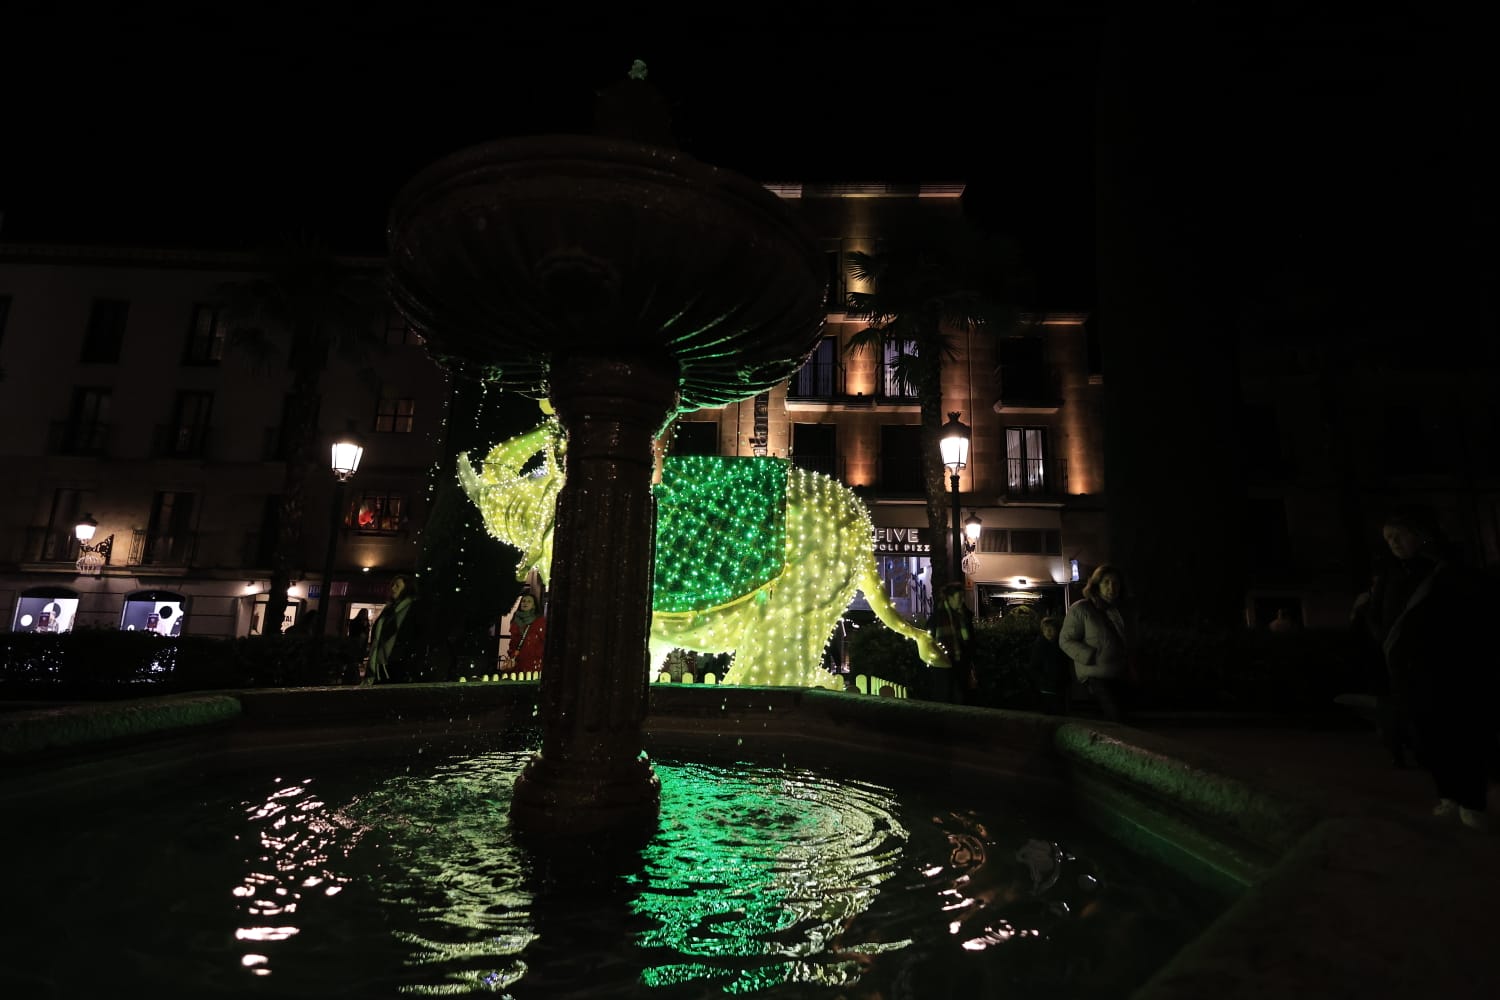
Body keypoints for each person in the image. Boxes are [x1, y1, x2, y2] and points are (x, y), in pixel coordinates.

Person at [1351, 504, 1494, 832]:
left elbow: (1474, 617)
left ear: (1420, 534)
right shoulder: (1390, 575)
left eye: (1399, 535)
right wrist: (1366, 615)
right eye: (1388, 538)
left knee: (1461, 735)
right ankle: (1449, 795)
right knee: (1428, 737)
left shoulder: (1448, 571)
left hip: (1449, 670)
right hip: (1408, 674)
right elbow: (1382, 624)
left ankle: (1471, 800)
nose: (1394, 543)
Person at [1059, 564, 1136, 723]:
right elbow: (1065, 640)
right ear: (1096, 584)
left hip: (1119, 674)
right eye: (1106, 582)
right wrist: (1090, 656)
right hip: (1095, 677)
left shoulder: (1120, 611)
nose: (1111, 587)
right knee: (1116, 718)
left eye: (1116, 583)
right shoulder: (1082, 608)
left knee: (1123, 720)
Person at [924, 581, 975, 704]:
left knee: (961, 696)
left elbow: (970, 640)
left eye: (963, 597)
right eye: (959, 597)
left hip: (961, 662)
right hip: (943, 664)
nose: (962, 601)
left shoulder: (964, 615)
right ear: (949, 598)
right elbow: (929, 639)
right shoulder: (937, 617)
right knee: (945, 696)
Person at [366, 575, 423, 684]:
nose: (393, 588)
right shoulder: (388, 609)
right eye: (392, 585)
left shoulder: (413, 608)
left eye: (397, 585)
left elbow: (417, 634)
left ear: (407, 588)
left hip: (399, 663)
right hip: (380, 663)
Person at [1026, 615, 1074, 715]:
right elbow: (1034, 667)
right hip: (1046, 688)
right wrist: (1043, 681)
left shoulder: (1061, 645)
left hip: (1060, 687)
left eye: (1051, 629)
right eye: (1045, 629)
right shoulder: (1039, 646)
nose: (1048, 632)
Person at [506, 592, 547, 675]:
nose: (525, 603)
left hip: (535, 664)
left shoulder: (539, 621)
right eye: (523, 601)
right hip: (518, 664)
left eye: (529, 601)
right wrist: (512, 656)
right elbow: (513, 643)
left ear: (534, 605)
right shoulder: (516, 621)